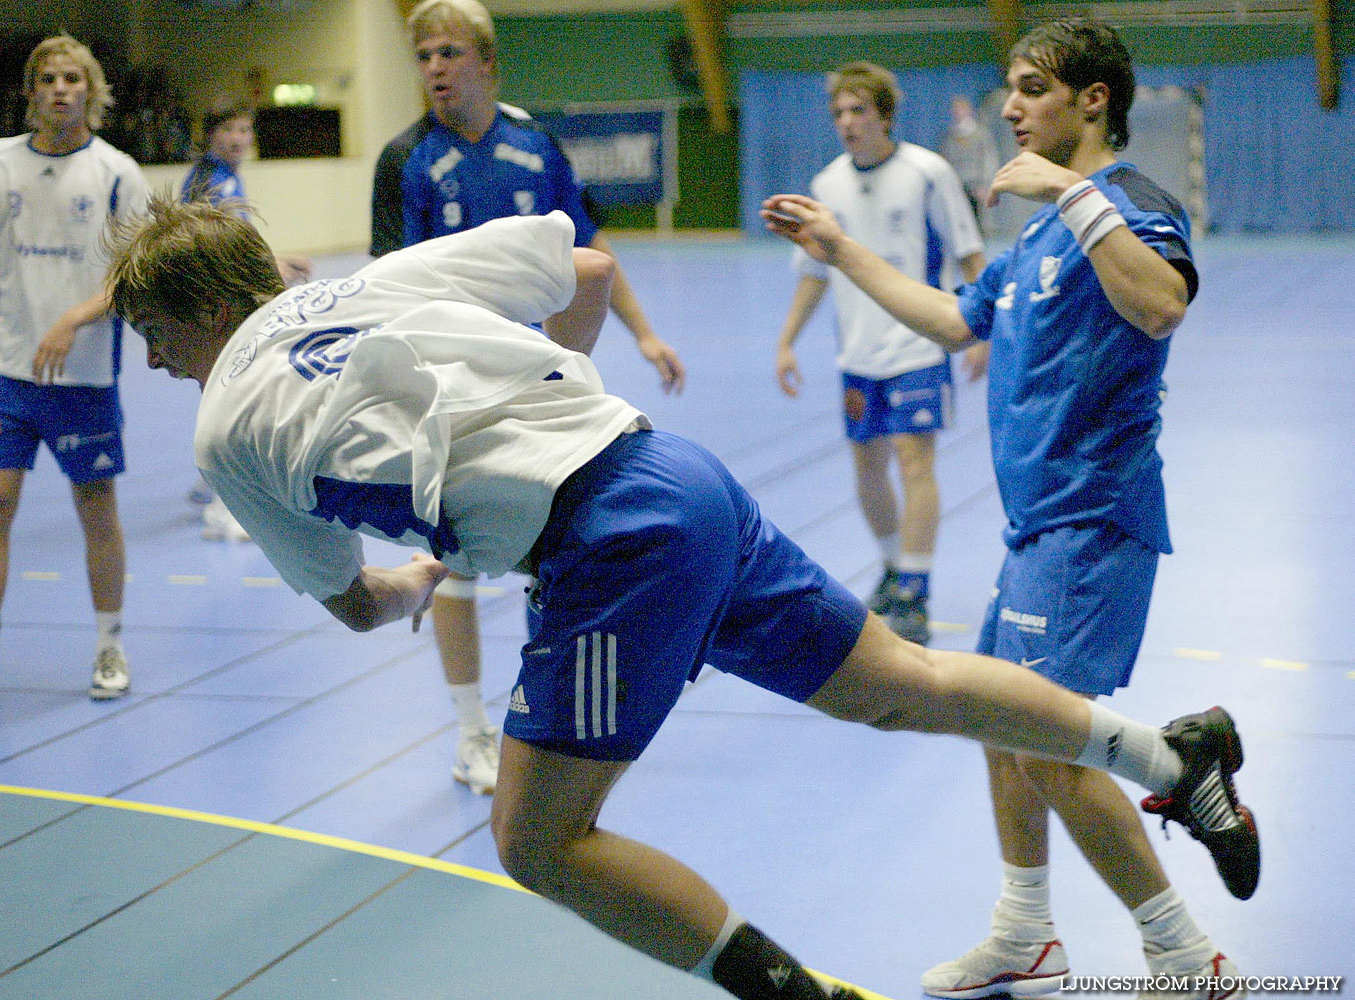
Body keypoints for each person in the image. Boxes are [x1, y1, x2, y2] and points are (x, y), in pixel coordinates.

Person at [106, 192, 1260, 1000]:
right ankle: (1171, 757)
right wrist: (561, 413)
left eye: (155, 335)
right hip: (672, 471)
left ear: (207, 309)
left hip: (610, 546)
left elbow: (355, 606)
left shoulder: (223, 429)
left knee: (536, 840)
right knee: (896, 684)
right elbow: (591, 275)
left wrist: (426, 568)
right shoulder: (378, 282)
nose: (156, 364)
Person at [764, 16, 1251, 998]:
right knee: (998, 723)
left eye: (1031, 89)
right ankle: (1026, 929)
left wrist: (1072, 193)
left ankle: (1183, 955)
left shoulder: (1121, 203)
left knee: (1051, 744)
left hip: (1089, 521)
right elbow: (952, 319)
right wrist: (837, 248)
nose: (1011, 107)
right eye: (1008, 89)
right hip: (1032, 527)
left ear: (1091, 100)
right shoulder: (1033, 229)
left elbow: (1159, 304)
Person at [369, 0, 687, 796]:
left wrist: (643, 333)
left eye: (449, 52)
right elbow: (378, 290)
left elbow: (589, 249)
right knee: (454, 559)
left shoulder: (534, 145)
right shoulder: (404, 160)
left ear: (485, 60)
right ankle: (471, 731)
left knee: (558, 548)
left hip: (537, 382)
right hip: (447, 389)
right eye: (424, 56)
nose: (435, 68)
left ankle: (554, 716)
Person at [774, 62, 987, 646]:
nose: (846, 123)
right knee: (867, 468)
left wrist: (984, 330)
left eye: (858, 110)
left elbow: (970, 254)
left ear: (885, 115)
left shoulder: (927, 172)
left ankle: (916, 590)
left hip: (920, 344)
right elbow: (814, 273)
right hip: (858, 354)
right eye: (839, 113)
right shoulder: (826, 186)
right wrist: (788, 340)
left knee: (915, 462)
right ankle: (895, 565)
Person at [0, 34, 148, 708]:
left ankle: (110, 643)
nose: (60, 88)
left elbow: (136, 275)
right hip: (6, 371)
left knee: (95, 508)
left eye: (72, 78)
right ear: (30, 92)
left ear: (91, 91)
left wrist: (74, 317)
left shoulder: (117, 172)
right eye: (47, 78)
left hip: (83, 380)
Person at [180, 99, 312, 541]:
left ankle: (212, 479)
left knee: (223, 389)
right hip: (213, 305)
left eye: (245, 129)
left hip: (215, 300)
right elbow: (216, 244)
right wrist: (270, 263)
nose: (238, 138)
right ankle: (227, 506)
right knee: (234, 391)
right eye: (229, 130)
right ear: (211, 134)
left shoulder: (216, 175)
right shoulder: (213, 182)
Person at [940, 96, 1001, 235]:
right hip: (957, 185)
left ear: (968, 111)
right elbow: (945, 162)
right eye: (955, 110)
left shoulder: (981, 135)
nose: (958, 113)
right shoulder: (949, 136)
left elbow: (988, 160)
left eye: (961, 109)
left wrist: (985, 185)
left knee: (978, 226)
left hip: (976, 186)